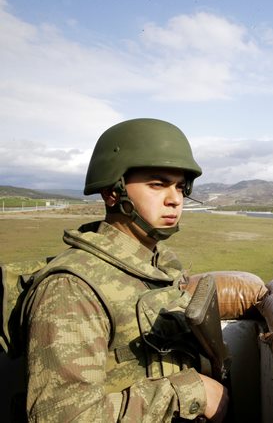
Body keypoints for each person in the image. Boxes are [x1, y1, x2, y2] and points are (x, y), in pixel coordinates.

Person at [23, 118, 228, 421]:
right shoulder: (72, 287)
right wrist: (191, 393)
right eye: (157, 185)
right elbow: (63, 417)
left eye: (180, 187)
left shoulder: (159, 268)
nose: (175, 199)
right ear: (112, 192)